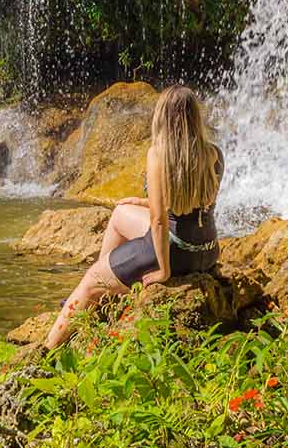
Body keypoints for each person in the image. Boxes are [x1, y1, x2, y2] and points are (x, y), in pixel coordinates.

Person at [43, 84, 224, 349]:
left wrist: (164, 270)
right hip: (207, 251)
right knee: (120, 213)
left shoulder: (159, 155)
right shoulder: (214, 153)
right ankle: (108, 295)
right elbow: (196, 205)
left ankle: (45, 351)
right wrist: (143, 202)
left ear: (162, 117)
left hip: (175, 252)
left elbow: (160, 221)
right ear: (195, 117)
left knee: (91, 280)